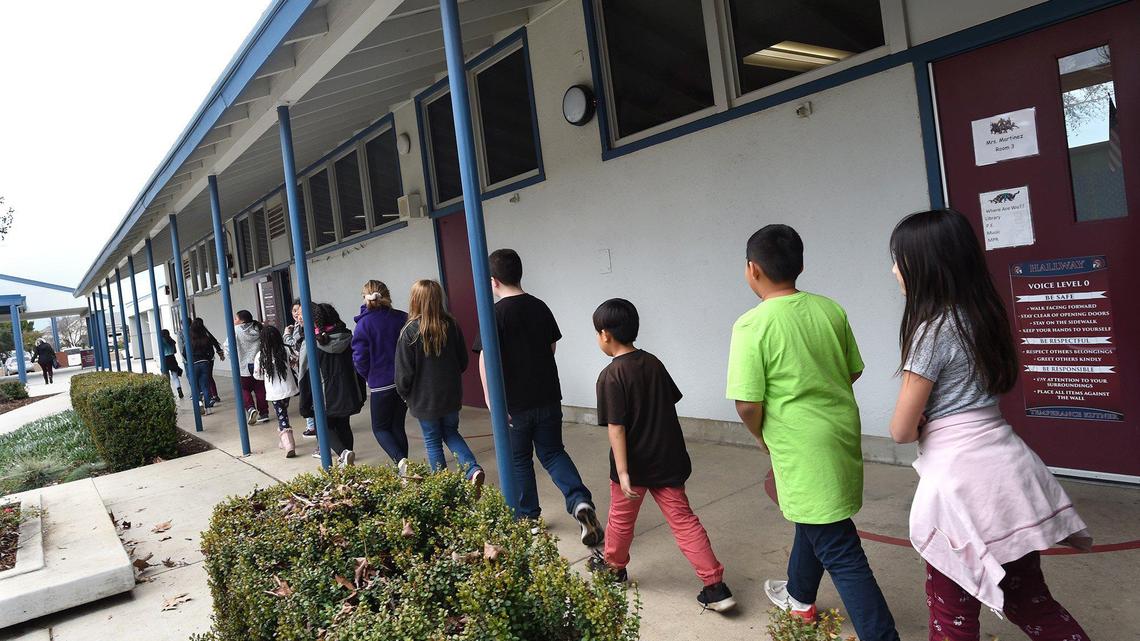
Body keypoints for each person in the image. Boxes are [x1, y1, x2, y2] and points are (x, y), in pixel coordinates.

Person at [887, 209, 1092, 641]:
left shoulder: (930, 332)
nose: (893, 271)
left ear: (927, 265)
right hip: (1010, 474)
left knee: (952, 616)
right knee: (1033, 604)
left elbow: (902, 430)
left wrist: (921, 419)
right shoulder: (981, 316)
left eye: (899, 260)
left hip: (964, 489)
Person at [726, 224, 899, 641]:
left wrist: (761, 436)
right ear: (801, 265)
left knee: (838, 544)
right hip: (839, 432)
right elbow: (852, 368)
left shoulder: (752, 325)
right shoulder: (829, 309)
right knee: (818, 516)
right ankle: (799, 596)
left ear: (752, 270)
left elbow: (747, 403)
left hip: (799, 444)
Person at [587, 298, 736, 613]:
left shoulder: (611, 376)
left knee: (621, 520)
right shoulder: (653, 362)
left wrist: (624, 472)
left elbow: (617, 429)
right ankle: (715, 587)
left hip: (634, 466)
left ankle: (614, 568)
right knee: (683, 520)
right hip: (667, 460)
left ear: (604, 335)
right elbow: (668, 403)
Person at [474, 249, 602, 546]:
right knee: (554, 452)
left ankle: (529, 518)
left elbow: (485, 359)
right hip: (546, 396)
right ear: (520, 273)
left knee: (520, 460)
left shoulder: (494, 314)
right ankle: (579, 500)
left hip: (514, 404)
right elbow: (551, 347)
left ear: (493, 281)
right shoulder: (539, 306)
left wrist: (491, 399)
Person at [394, 280, 485, 489]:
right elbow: (463, 361)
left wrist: (404, 393)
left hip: (424, 400)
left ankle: (443, 487)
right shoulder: (451, 325)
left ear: (415, 301)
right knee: (451, 432)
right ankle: (472, 469)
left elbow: (404, 372)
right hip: (451, 395)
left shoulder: (410, 331)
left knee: (432, 440)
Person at [351, 280, 410, 464]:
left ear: (364, 298)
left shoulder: (363, 325)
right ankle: (404, 467)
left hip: (380, 385)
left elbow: (360, 359)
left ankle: (401, 461)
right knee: (397, 426)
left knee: (380, 429)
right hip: (403, 381)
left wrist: (369, 375)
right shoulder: (402, 318)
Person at [307, 303, 366, 466]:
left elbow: (305, 375)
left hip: (326, 393)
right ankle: (348, 458)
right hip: (348, 389)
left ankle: (343, 453)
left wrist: (305, 402)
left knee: (323, 426)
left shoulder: (313, 343)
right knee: (343, 424)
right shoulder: (348, 337)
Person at [253, 325, 300, 458]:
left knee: (282, 416)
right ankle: (283, 441)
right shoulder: (285, 349)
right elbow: (296, 360)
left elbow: (257, 376)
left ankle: (289, 444)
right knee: (283, 412)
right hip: (289, 389)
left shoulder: (260, 355)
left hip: (274, 392)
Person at [285, 299, 316, 438]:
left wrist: (286, 335)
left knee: (308, 394)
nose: (297, 314)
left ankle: (312, 426)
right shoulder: (297, 326)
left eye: (299, 310)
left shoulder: (303, 327)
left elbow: (295, 344)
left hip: (305, 365)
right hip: (299, 364)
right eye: (294, 311)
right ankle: (311, 425)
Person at [234, 310, 270, 425]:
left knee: (244, 389)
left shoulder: (236, 330)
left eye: (236, 318)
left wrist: (234, 359)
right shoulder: (259, 328)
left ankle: (250, 408)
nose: (234, 321)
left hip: (244, 366)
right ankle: (264, 413)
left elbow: (228, 347)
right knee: (260, 390)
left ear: (242, 320)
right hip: (258, 364)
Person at [188, 318, 225, 415]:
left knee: (195, 385)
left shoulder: (190, 337)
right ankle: (208, 406)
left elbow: (184, 352)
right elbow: (213, 343)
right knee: (206, 384)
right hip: (206, 362)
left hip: (194, 363)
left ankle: (199, 402)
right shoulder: (206, 336)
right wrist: (210, 357)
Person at [161, 329, 185, 399]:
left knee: (166, 378)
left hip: (164, 359)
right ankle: (179, 389)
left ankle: (169, 393)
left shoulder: (161, 341)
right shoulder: (172, 341)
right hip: (172, 358)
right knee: (175, 377)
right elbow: (175, 351)